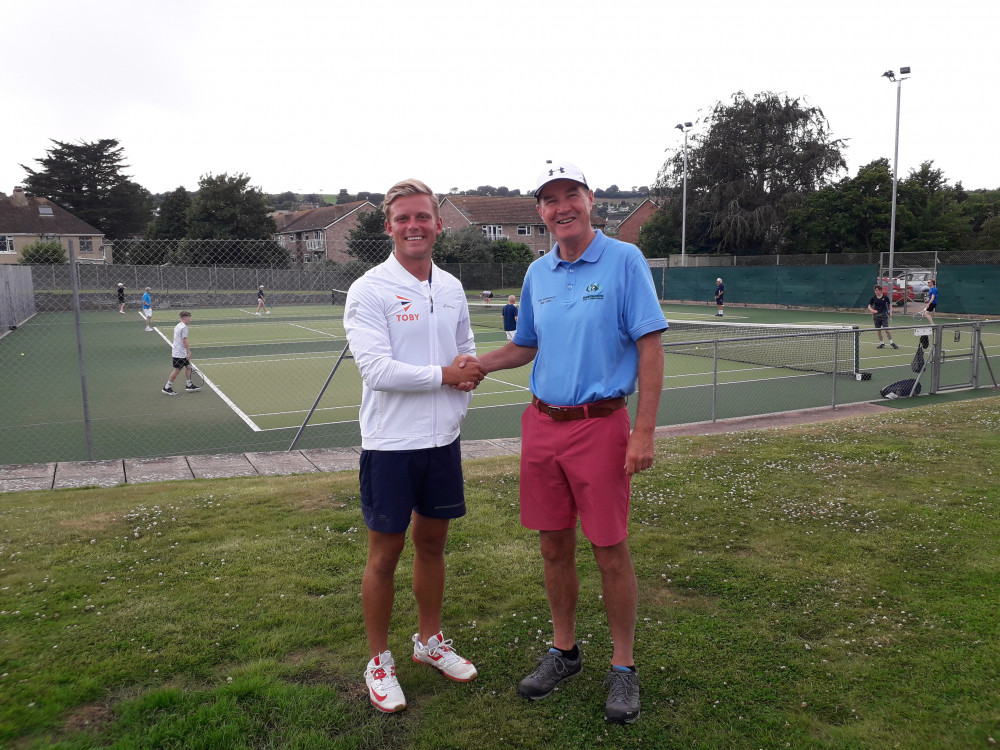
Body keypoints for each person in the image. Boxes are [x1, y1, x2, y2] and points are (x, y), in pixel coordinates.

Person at [473, 162, 667, 725]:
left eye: (571, 195)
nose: (562, 208)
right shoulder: (538, 273)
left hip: (601, 425)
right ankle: (565, 652)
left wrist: (645, 431)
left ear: (590, 201)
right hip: (541, 426)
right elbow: (524, 346)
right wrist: (475, 365)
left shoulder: (625, 260)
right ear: (540, 212)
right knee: (553, 546)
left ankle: (624, 667)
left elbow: (650, 349)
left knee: (610, 549)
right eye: (550, 200)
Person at [344, 178, 485, 714]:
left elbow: (466, 349)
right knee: (386, 553)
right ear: (389, 226)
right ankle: (379, 661)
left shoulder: (450, 287)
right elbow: (377, 371)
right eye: (402, 218)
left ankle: (429, 642)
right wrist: (447, 377)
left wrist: (462, 385)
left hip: (442, 442)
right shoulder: (370, 289)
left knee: (432, 546)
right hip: (389, 445)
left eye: (422, 216)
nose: (413, 226)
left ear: (437, 224)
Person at [162, 312, 201, 396]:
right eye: (189, 317)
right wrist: (188, 352)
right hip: (180, 353)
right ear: (185, 317)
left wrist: (173, 351)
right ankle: (167, 387)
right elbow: (184, 341)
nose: (190, 319)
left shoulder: (178, 325)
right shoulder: (184, 327)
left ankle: (189, 385)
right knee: (177, 370)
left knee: (188, 367)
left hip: (178, 351)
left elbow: (176, 340)